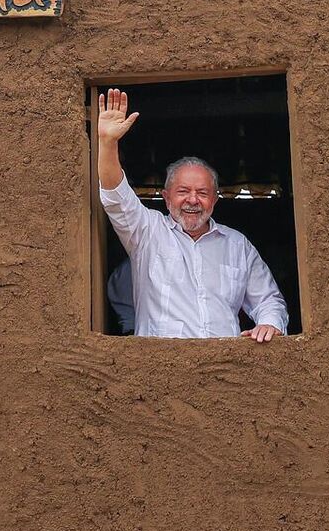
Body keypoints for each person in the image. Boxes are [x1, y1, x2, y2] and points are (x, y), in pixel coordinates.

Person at [95, 87, 288, 341]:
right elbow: (115, 196)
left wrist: (269, 324)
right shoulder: (146, 232)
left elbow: (269, 301)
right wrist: (108, 143)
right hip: (160, 369)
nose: (193, 200)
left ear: (215, 200)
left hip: (226, 368)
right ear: (166, 197)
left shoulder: (237, 245)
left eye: (202, 193)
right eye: (183, 191)